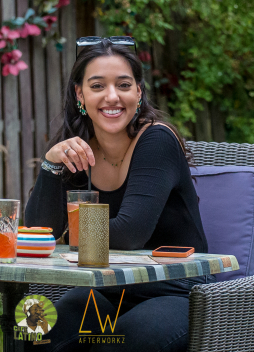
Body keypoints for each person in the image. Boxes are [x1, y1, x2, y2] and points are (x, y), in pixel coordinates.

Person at [24, 38, 215, 351]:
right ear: (79, 94)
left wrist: (68, 233)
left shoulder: (156, 141)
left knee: (117, 341)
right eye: (97, 85)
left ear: (138, 93)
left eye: (123, 85)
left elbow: (130, 233)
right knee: (34, 333)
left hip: (174, 290)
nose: (112, 96)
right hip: (106, 289)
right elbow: (39, 233)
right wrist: (50, 166)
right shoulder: (79, 150)